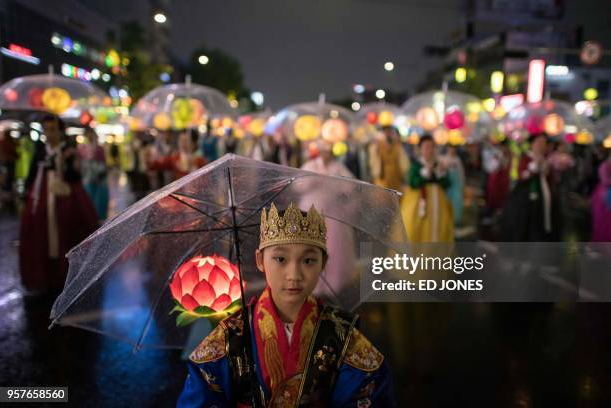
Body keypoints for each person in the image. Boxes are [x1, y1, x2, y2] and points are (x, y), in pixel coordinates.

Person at [177, 203, 396, 407]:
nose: (294, 275)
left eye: (308, 261)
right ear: (260, 260)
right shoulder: (230, 337)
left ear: (324, 264)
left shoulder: (342, 335)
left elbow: (368, 393)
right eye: (280, 259)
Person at [19, 115, 98, 294]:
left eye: (53, 129)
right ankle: (44, 276)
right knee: (40, 236)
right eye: (46, 129)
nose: (49, 134)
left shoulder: (69, 150)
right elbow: (32, 174)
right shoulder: (40, 150)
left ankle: (66, 276)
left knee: (66, 233)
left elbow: (75, 176)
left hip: (66, 199)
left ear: (60, 131)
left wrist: (63, 164)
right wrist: (25, 198)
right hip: (41, 198)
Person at [501, 133, 561, 241]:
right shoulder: (525, 158)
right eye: (539, 143)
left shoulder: (546, 160)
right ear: (532, 144)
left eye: (544, 143)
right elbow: (520, 175)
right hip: (525, 196)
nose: (541, 146)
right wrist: (533, 167)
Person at [401, 134, 454, 242]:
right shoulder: (416, 165)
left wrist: (441, 173)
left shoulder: (439, 164)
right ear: (420, 149)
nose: (429, 150)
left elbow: (447, 183)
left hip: (438, 204)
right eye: (426, 147)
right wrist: (426, 173)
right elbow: (412, 182)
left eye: (431, 147)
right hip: (419, 202)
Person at [77, 128, 109, 221]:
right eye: (88, 134)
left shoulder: (99, 148)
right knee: (88, 196)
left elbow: (103, 162)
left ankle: (99, 217)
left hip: (99, 176)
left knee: (100, 197)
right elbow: (79, 162)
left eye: (91, 134)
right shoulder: (81, 148)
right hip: (87, 175)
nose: (90, 136)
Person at [368, 126, 409, 191]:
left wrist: (405, 176)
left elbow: (404, 164)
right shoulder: (377, 146)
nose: (388, 133)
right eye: (386, 131)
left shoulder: (397, 146)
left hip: (396, 180)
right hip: (382, 181)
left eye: (389, 131)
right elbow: (374, 162)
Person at [440, 145, 465, 226]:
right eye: (450, 148)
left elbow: (461, 173)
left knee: (456, 202)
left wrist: (462, 184)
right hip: (446, 184)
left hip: (456, 185)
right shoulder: (442, 158)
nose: (452, 150)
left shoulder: (457, 159)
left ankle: (455, 220)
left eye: (453, 149)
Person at [591, 150, 611, 242]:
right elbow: (605, 181)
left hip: (605, 194)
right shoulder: (604, 165)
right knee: (604, 222)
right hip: (604, 195)